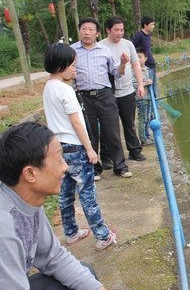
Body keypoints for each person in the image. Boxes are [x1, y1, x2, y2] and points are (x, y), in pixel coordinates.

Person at [0, 122, 106, 290]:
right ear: (30, 173)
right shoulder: (4, 228)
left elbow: (52, 256)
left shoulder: (28, 199)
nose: (65, 167)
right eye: (58, 159)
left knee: (86, 275)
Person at [43, 43, 117, 252]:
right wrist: (90, 149)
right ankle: (103, 235)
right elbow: (76, 123)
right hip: (75, 148)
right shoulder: (65, 90)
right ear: (61, 66)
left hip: (58, 148)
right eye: (73, 65)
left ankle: (71, 232)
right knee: (87, 194)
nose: (76, 69)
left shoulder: (48, 87)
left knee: (65, 193)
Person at [70, 17, 132, 179]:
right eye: (84, 29)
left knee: (112, 131)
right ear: (80, 31)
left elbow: (117, 73)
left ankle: (120, 166)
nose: (87, 32)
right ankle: (94, 168)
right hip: (83, 97)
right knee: (89, 133)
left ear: (97, 33)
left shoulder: (105, 51)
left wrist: (124, 63)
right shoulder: (72, 51)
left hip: (105, 95)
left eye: (91, 29)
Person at [99, 16, 146, 163]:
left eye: (122, 30)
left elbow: (136, 65)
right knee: (109, 127)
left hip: (127, 91)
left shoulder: (128, 44)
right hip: (108, 93)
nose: (120, 33)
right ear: (108, 30)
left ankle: (134, 151)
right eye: (116, 30)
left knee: (129, 123)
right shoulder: (100, 46)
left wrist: (140, 84)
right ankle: (107, 157)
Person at [131, 16, 157, 95]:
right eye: (152, 25)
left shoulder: (148, 35)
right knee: (147, 91)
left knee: (153, 88)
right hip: (145, 68)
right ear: (145, 25)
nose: (153, 26)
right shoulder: (139, 35)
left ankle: (154, 107)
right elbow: (131, 46)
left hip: (151, 65)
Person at [134, 47, 154, 145]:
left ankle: (147, 135)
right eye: (136, 57)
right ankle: (143, 139)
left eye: (140, 57)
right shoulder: (133, 70)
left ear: (146, 58)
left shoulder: (147, 69)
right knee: (142, 118)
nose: (138, 59)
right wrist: (145, 83)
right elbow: (133, 85)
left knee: (148, 118)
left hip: (148, 98)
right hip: (140, 98)